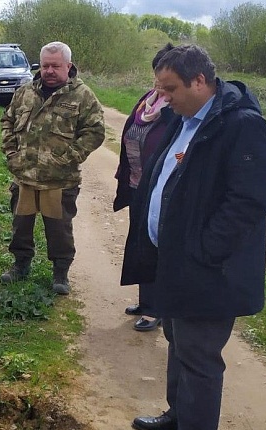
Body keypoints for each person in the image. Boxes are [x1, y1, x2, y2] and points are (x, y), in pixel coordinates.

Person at [121, 45, 266, 430]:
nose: (162, 97)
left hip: (209, 270)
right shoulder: (182, 116)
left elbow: (249, 202)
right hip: (174, 262)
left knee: (200, 359)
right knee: (177, 341)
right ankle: (177, 414)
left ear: (200, 81)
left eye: (170, 88)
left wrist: (204, 250)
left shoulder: (242, 126)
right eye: (159, 88)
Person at [0, 41, 105, 294]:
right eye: (45, 65)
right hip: (24, 177)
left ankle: (60, 272)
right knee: (20, 227)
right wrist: (12, 153)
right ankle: (21, 265)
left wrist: (71, 156)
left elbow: (95, 131)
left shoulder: (82, 96)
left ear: (68, 66)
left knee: (59, 231)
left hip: (60, 180)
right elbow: (8, 120)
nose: (49, 71)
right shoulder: (25, 92)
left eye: (55, 66)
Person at [114, 43, 175, 332]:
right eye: (156, 76)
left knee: (156, 248)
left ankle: (156, 308)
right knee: (139, 245)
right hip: (138, 185)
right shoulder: (147, 101)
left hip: (160, 192)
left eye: (164, 79)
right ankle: (145, 300)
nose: (158, 83)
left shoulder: (175, 110)